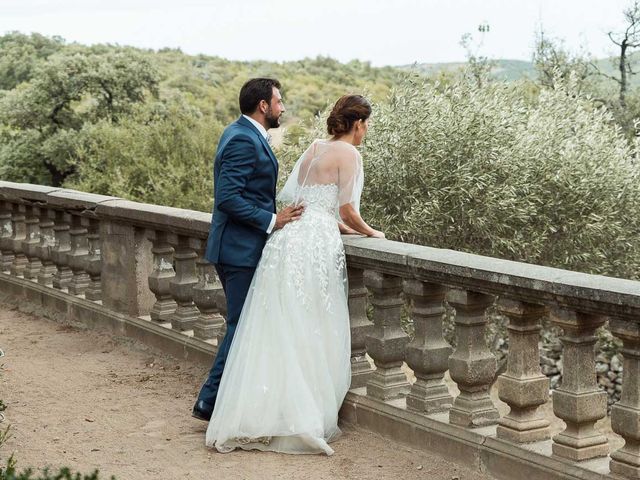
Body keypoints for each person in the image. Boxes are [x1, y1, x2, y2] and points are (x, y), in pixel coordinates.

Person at [205, 94, 384, 455]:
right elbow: (348, 209)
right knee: (309, 322)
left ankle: (254, 412)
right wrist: (371, 232)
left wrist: (334, 222)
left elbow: (301, 198)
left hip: (287, 239)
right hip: (314, 242)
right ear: (359, 123)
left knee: (277, 323)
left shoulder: (316, 146)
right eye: (367, 126)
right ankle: (298, 414)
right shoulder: (349, 154)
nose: (366, 132)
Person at [192, 78, 304, 422]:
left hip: (239, 247)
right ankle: (208, 402)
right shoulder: (242, 138)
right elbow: (228, 198)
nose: (282, 107)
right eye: (279, 102)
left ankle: (229, 399)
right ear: (263, 106)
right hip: (237, 250)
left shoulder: (242, 132)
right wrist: (273, 219)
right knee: (240, 327)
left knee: (245, 324)